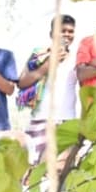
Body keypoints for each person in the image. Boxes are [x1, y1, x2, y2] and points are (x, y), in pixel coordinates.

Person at [20, 15, 78, 162]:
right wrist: (48, 64)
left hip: (67, 120)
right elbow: (22, 82)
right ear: (52, 34)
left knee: (63, 170)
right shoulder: (39, 54)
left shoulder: (78, 57)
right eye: (62, 30)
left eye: (70, 31)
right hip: (42, 118)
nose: (66, 34)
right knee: (36, 168)